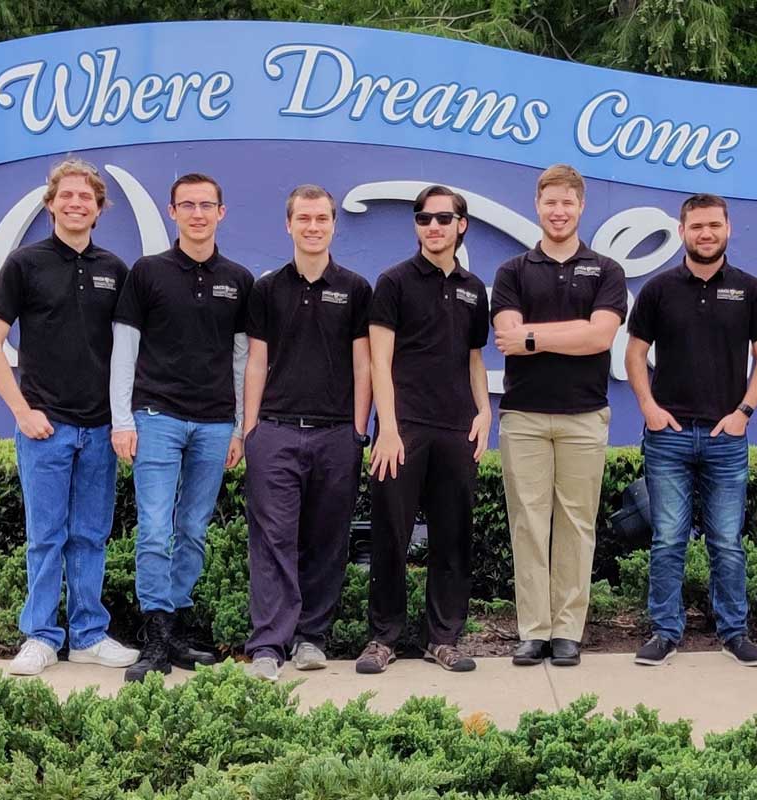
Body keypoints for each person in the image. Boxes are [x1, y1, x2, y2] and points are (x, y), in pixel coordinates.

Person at [0, 158, 138, 676]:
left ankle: (89, 634)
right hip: (44, 428)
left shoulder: (116, 270)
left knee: (91, 536)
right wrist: (22, 412)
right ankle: (42, 635)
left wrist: (121, 418)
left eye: (85, 197)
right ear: (51, 204)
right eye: (66, 196)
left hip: (98, 429)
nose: (76, 203)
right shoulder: (24, 264)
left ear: (98, 208)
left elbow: (130, 351)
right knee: (46, 536)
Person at [625, 193, 757, 667]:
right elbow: (634, 354)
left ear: (728, 229)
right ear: (682, 231)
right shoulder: (658, 289)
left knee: (727, 543)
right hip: (668, 437)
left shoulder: (752, 291)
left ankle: (734, 632)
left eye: (714, 225)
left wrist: (745, 412)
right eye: (697, 226)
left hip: (726, 438)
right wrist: (648, 406)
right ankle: (665, 633)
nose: (706, 233)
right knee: (668, 539)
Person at [109, 173, 253, 681]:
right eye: (187, 205)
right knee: (153, 529)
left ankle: (175, 629)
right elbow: (124, 348)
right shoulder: (147, 273)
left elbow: (242, 359)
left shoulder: (238, 279)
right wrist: (122, 419)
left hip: (215, 424)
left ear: (221, 212)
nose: (197, 213)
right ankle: (154, 634)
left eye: (206, 205)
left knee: (192, 529)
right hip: (156, 417)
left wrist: (238, 427)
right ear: (172, 212)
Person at [491, 164, 627, 668]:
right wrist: (565, 333)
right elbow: (507, 336)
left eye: (568, 203)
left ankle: (568, 630)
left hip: (584, 415)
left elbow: (599, 337)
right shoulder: (512, 271)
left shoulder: (607, 270)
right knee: (528, 522)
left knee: (576, 523)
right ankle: (534, 630)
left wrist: (535, 335)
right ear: (537, 205)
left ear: (581, 206)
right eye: (551, 203)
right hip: (523, 415)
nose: (559, 211)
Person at [355, 185, 491, 675]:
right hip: (403, 427)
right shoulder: (392, 283)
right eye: (423, 218)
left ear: (461, 224)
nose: (433, 226)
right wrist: (387, 428)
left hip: (457, 429)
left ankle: (444, 638)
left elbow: (475, 360)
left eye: (442, 218)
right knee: (390, 534)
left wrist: (484, 412)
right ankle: (383, 638)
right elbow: (379, 361)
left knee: (453, 537)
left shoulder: (476, 290)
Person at [241, 185, 373, 681]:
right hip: (274, 431)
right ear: (288, 224)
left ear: (334, 224)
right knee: (273, 539)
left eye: (321, 218)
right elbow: (256, 361)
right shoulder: (267, 288)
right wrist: (251, 429)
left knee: (326, 537)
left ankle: (311, 638)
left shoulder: (357, 288)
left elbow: (364, 364)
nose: (313, 226)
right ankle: (269, 646)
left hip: (337, 434)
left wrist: (358, 430)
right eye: (304, 218)